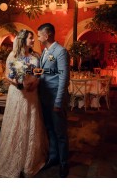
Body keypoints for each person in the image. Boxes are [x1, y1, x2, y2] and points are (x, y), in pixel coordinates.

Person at [0, 29, 48, 178]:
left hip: (32, 95)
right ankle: (13, 160)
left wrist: (35, 83)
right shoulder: (13, 55)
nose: (33, 41)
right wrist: (18, 83)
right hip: (17, 94)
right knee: (17, 124)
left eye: (33, 38)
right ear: (23, 40)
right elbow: (6, 74)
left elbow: (38, 73)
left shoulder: (36, 56)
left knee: (31, 124)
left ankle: (29, 162)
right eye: (30, 38)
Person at [37, 23, 70, 178]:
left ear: (48, 34)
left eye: (39, 35)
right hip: (45, 97)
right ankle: (53, 157)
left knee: (60, 133)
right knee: (50, 130)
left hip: (56, 97)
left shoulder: (61, 51)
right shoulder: (44, 52)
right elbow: (43, 72)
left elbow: (63, 78)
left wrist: (58, 102)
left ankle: (64, 163)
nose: (38, 37)